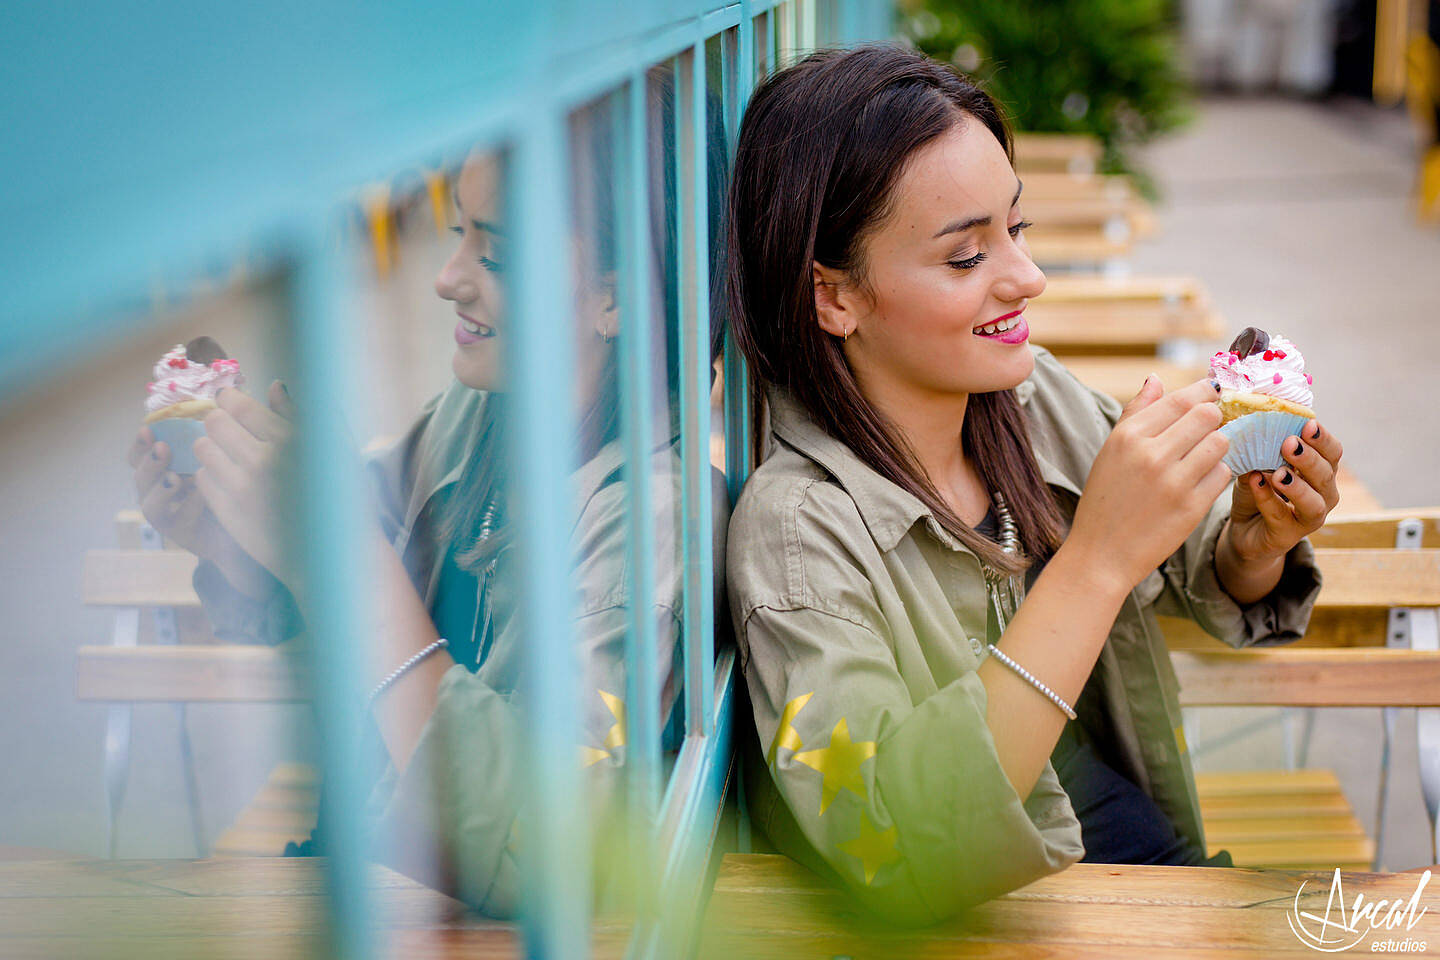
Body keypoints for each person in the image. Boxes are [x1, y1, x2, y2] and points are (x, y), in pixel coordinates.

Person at [722, 44, 1341, 924]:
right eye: (965, 257)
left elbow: (1196, 571)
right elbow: (886, 836)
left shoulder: (1029, 395)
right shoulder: (797, 533)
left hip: (1139, 870)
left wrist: (1253, 542)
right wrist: (1094, 563)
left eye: (1017, 229)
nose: (1027, 278)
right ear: (834, 297)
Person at [126, 82, 728, 916]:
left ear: (616, 297)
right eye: (457, 236)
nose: (448, 279)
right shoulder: (478, 414)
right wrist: (228, 533)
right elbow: (337, 583)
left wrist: (333, 549)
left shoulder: (654, 520)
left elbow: (551, 841)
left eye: (498, 255)